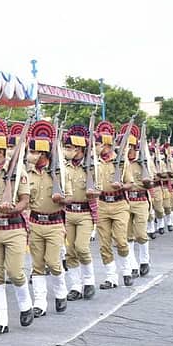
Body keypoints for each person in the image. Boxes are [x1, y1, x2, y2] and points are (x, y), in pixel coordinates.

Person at [0, 120, 34, 333]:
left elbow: (25, 199)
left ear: (0, 151)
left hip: (14, 227)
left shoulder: (18, 170)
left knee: (14, 272)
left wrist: (14, 209)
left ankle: (26, 305)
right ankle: (0, 319)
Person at [25, 120, 68, 316]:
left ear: (43, 154)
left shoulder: (60, 172)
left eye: (34, 152)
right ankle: (39, 303)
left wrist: (63, 198)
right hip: (35, 222)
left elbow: (71, 196)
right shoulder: (26, 173)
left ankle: (61, 293)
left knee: (53, 261)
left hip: (54, 223)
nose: (30, 155)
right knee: (37, 265)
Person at [94, 122, 133, 288]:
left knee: (121, 240)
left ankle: (126, 270)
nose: (95, 147)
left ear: (107, 146)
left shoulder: (121, 162)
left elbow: (130, 183)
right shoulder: (93, 162)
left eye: (98, 144)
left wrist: (122, 187)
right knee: (104, 243)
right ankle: (111, 277)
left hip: (119, 204)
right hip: (102, 203)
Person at [61, 125, 97, 301]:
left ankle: (89, 281)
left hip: (84, 212)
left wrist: (94, 192)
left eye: (69, 148)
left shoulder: (91, 167)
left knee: (81, 247)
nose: (66, 151)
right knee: (70, 250)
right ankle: (75, 286)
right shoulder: (64, 166)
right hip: (68, 212)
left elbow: (99, 189)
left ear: (80, 149)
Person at [120, 124, 153, 277]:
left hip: (140, 200)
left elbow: (151, 181)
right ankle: (133, 265)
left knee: (140, 234)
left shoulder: (143, 160)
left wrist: (147, 176)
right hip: (125, 200)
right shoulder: (121, 162)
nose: (127, 149)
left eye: (129, 146)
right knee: (127, 235)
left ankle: (144, 260)